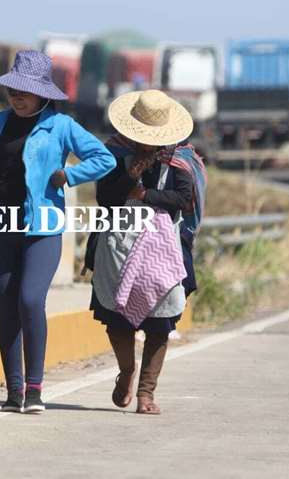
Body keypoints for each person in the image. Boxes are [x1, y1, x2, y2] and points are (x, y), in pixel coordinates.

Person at [0, 50, 115, 414]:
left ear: (44, 93)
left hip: (42, 228)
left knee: (30, 300)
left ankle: (35, 389)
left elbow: (104, 159)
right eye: (13, 89)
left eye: (25, 91)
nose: (17, 96)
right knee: (8, 307)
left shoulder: (61, 127)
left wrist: (70, 175)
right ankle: (14, 392)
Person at [91, 89, 205, 415]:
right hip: (118, 242)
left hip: (163, 246)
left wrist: (146, 194)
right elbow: (105, 199)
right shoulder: (115, 154)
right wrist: (128, 175)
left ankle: (146, 392)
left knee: (161, 321)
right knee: (116, 317)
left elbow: (185, 200)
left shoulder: (180, 161)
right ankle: (126, 371)